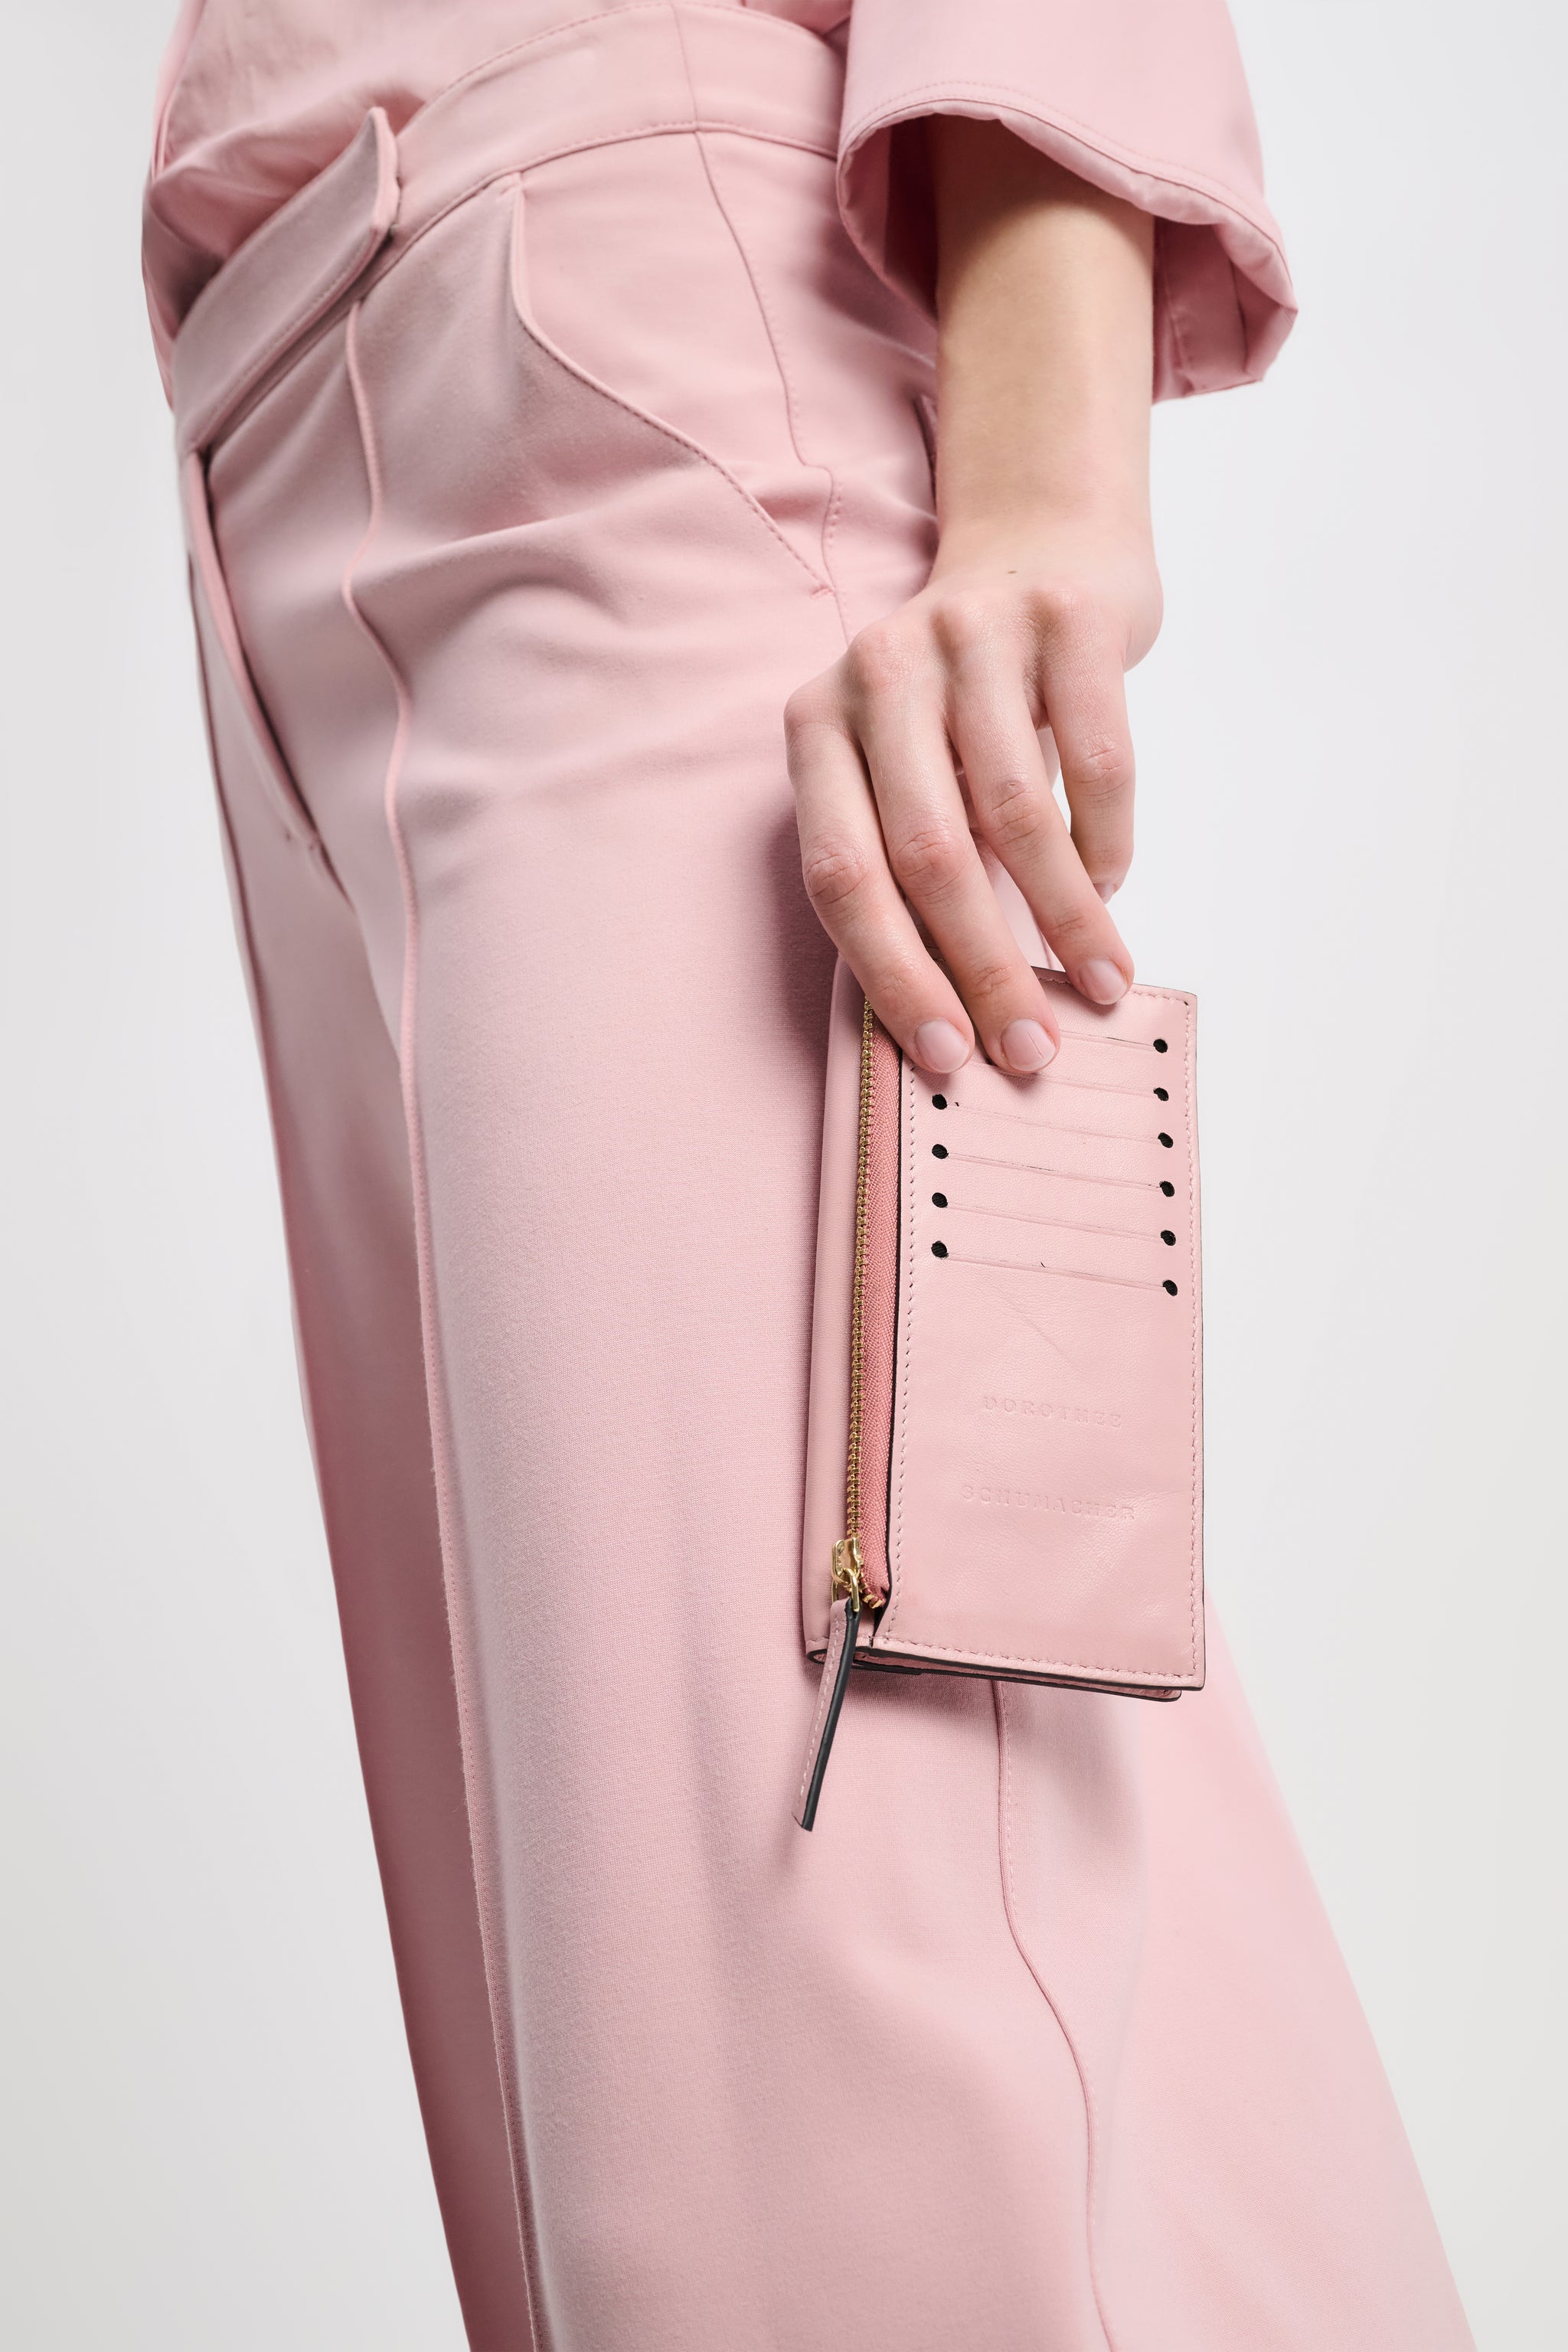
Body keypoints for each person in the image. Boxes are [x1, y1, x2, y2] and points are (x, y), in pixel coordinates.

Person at [143, 4, 1474, 2346]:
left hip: (626, 376)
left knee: (831, 2087)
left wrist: (1050, 483)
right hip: (298, 477)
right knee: (650, 2160)